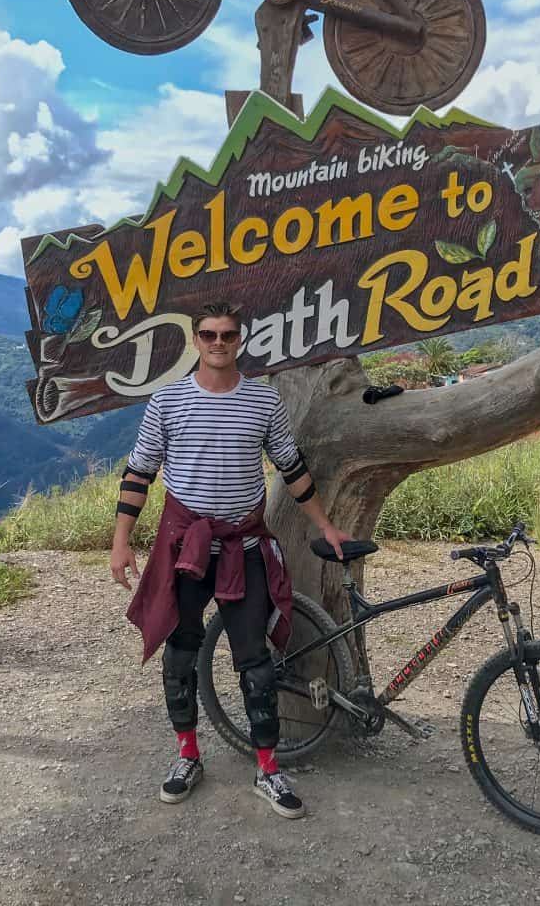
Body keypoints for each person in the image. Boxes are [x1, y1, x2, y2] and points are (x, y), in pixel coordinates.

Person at [109, 302, 350, 819]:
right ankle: (187, 756)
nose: (219, 342)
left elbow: (291, 466)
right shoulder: (167, 402)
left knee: (256, 663)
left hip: (244, 546)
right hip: (186, 548)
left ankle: (267, 767)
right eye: (209, 334)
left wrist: (325, 524)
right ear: (195, 341)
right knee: (180, 653)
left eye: (228, 335)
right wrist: (121, 540)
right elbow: (140, 472)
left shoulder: (263, 401)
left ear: (240, 340)